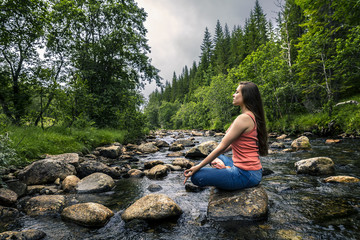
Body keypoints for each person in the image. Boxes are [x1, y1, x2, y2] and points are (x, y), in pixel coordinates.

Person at [183, 81, 268, 190]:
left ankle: (227, 169)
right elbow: (236, 144)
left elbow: (221, 147)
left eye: (237, 92)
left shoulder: (244, 118)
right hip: (254, 172)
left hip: (245, 175)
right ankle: (227, 168)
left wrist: (198, 166)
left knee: (196, 176)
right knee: (217, 156)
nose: (233, 95)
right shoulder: (252, 116)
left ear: (246, 96)